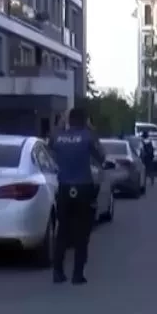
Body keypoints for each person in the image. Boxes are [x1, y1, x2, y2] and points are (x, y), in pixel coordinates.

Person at [48, 106, 105, 285]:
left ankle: (58, 272)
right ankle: (77, 274)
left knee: (62, 231)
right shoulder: (88, 137)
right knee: (82, 233)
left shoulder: (59, 138)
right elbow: (101, 156)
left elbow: (50, 146)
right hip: (84, 188)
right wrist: (92, 130)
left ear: (69, 120)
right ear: (85, 121)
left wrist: (59, 125)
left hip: (64, 188)